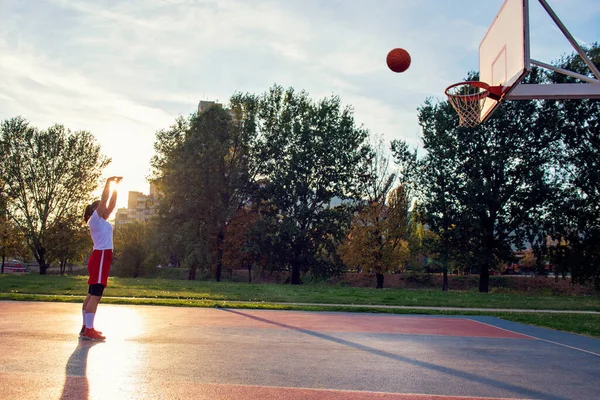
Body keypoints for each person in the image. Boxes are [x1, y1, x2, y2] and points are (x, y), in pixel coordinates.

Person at [80, 176, 122, 340]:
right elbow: (105, 200)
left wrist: (116, 187)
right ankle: (89, 329)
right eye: (101, 208)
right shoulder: (95, 220)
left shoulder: (102, 220)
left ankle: (85, 327)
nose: (105, 209)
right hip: (101, 256)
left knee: (91, 294)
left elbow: (110, 203)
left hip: (100, 256)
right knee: (96, 295)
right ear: (95, 211)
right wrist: (108, 183)